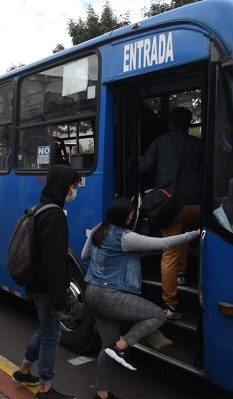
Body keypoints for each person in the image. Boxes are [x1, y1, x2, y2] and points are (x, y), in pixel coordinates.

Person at [81, 198, 199, 399]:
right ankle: (122, 346)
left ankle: (101, 393)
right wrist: (193, 234)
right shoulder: (126, 237)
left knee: (105, 348)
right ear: (125, 216)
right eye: (130, 214)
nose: (131, 217)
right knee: (157, 315)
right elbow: (165, 243)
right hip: (111, 296)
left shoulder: (98, 229)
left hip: (92, 292)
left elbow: (85, 256)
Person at [12, 164, 81, 399]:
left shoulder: (40, 208)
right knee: (52, 336)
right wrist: (60, 298)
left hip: (37, 285)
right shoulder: (55, 216)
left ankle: (23, 370)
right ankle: (45, 387)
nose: (73, 190)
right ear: (63, 186)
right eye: (73, 185)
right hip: (47, 290)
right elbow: (53, 261)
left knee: (46, 329)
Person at [139, 107, 201, 320]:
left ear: (170, 123)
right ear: (189, 124)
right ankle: (182, 273)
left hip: (173, 205)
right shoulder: (196, 143)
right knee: (184, 236)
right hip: (196, 205)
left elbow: (143, 167)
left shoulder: (160, 142)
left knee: (169, 252)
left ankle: (171, 304)